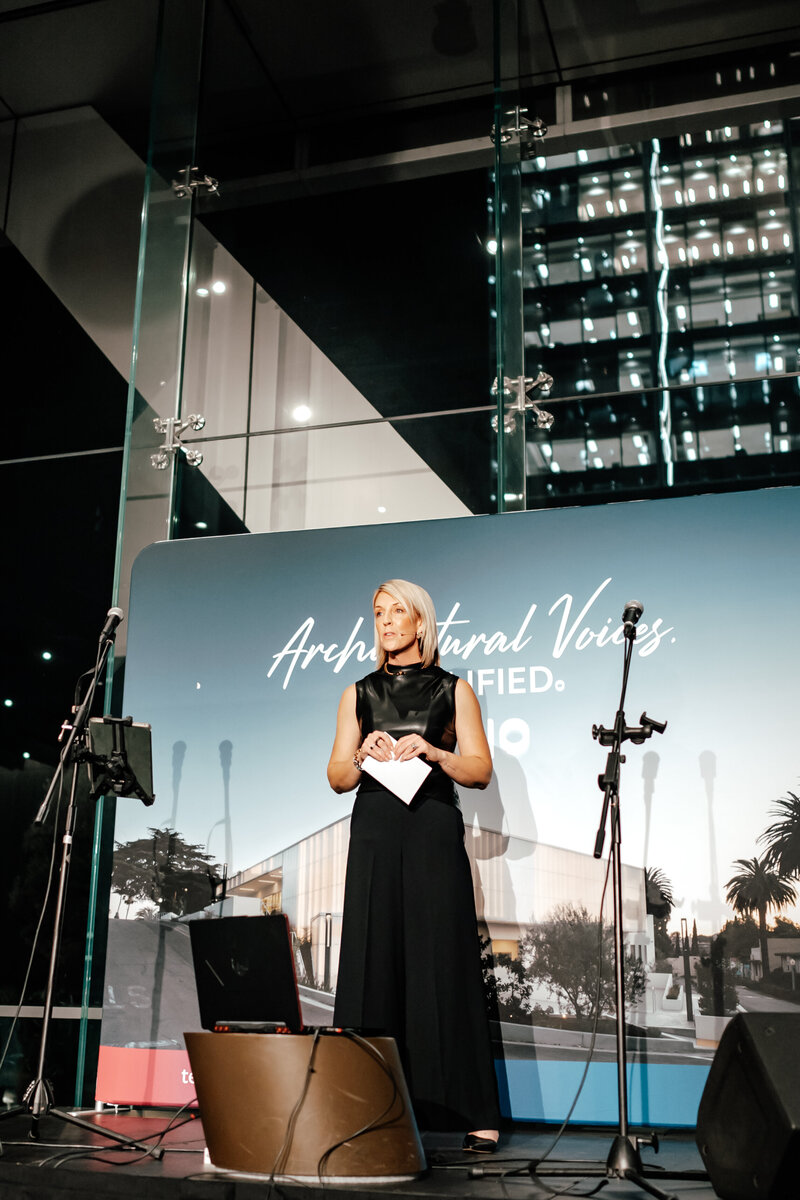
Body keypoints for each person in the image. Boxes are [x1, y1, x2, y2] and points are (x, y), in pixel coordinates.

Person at [327, 579, 500, 1152]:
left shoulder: (455, 690)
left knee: (442, 959)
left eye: (397, 611)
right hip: (375, 828)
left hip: (430, 827)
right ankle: (364, 1106)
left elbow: (479, 771)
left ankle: (470, 1112)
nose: (386, 621)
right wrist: (362, 752)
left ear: (420, 621)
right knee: (373, 959)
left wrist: (434, 752)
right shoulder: (357, 693)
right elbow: (337, 778)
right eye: (378, 612)